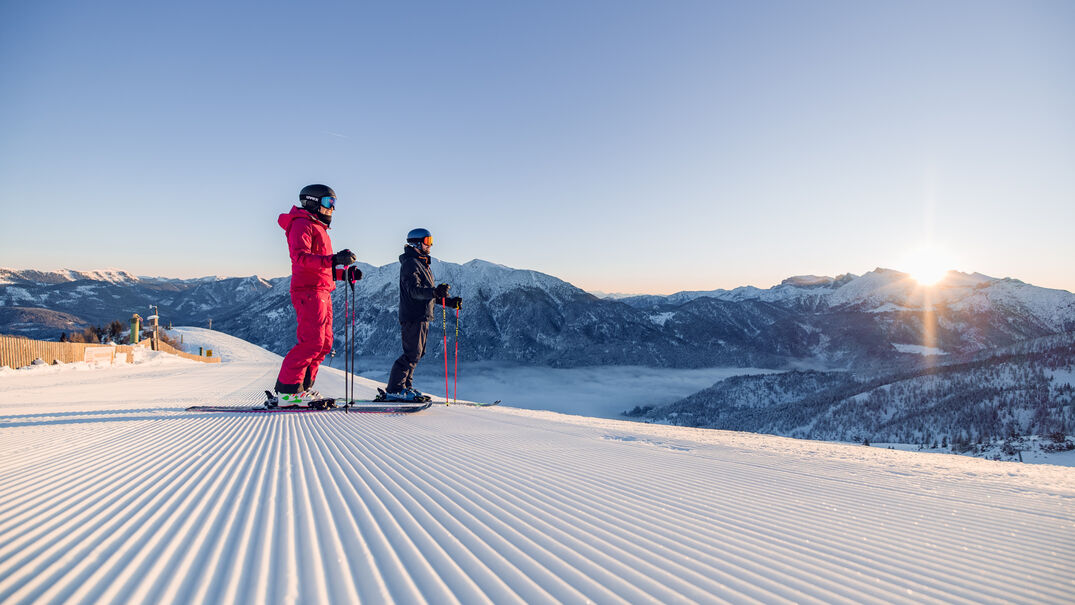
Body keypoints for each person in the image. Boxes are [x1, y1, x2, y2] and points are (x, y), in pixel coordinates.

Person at [267, 184, 362, 407]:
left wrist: (342, 274)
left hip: (321, 290)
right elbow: (301, 258)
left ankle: (303, 388)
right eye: (329, 203)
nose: (332, 209)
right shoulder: (301, 224)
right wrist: (333, 260)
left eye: (334, 204)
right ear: (312, 201)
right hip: (308, 291)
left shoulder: (317, 227)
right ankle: (288, 392)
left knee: (324, 344)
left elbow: (321, 266)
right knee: (311, 342)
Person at [383, 228, 462, 402]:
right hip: (413, 315)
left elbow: (429, 296)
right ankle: (395, 389)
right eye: (427, 241)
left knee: (418, 354)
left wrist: (449, 302)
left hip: (422, 315)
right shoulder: (411, 264)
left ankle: (405, 387)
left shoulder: (422, 264)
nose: (430, 245)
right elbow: (414, 292)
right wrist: (435, 292)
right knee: (411, 354)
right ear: (417, 243)